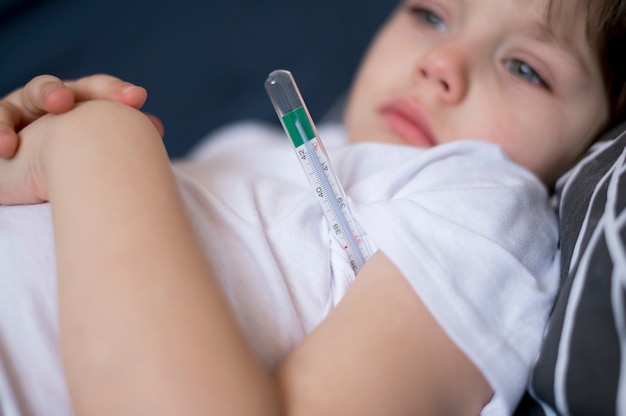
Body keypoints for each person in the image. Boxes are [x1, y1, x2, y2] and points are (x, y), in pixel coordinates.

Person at [0, 0, 624, 414]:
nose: (441, 63)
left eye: (524, 67)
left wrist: (100, 145)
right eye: (431, 15)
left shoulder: (484, 207)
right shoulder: (246, 148)